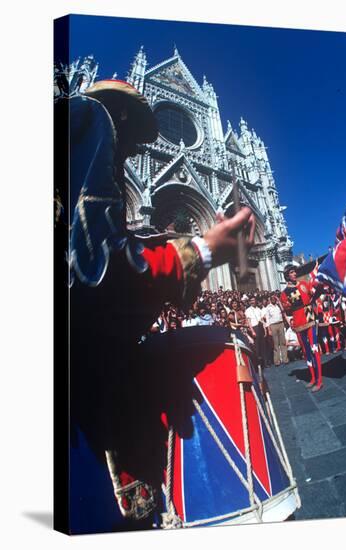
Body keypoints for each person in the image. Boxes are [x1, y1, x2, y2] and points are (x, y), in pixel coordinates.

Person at [59, 79, 256, 526]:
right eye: (129, 142)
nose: (126, 154)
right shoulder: (89, 125)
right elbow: (100, 271)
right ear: (120, 120)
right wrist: (204, 250)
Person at [280, 265, 323, 391]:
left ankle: (319, 380)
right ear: (287, 275)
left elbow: (314, 294)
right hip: (298, 323)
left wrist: (318, 285)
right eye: (292, 272)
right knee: (306, 351)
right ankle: (313, 378)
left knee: (314, 349)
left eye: (294, 272)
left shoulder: (304, 284)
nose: (294, 274)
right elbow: (287, 310)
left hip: (309, 318)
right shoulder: (284, 294)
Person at [264, 292, 289, 367]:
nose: (273, 299)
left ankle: (285, 359)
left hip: (280, 323)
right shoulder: (268, 307)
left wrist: (279, 302)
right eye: (272, 298)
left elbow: (283, 310)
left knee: (283, 342)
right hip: (273, 325)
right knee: (276, 344)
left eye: (274, 298)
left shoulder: (278, 305)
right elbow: (267, 319)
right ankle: (277, 361)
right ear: (270, 299)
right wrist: (269, 330)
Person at [245, 296, 267, 368]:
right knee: (257, 347)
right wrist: (252, 331)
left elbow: (262, 320)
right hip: (255, 328)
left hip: (260, 327)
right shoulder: (248, 310)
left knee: (263, 345)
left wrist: (265, 330)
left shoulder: (259, 309)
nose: (252, 302)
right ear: (250, 302)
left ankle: (265, 363)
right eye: (251, 300)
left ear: (256, 301)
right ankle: (258, 364)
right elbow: (249, 322)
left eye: (253, 300)